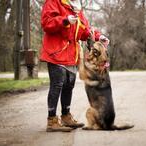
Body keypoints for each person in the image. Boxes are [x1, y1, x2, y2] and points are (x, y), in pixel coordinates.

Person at [40, 0, 109, 132]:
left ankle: (66, 116)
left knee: (69, 85)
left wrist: (99, 37)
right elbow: (46, 23)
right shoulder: (54, 2)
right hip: (56, 52)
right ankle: (52, 121)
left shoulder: (76, 8)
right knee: (57, 85)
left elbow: (85, 31)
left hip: (72, 54)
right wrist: (65, 20)